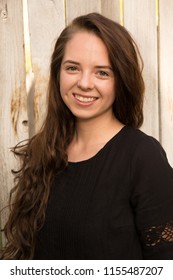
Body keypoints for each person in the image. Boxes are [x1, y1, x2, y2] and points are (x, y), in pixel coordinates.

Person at [1, 12, 173, 260]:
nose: (84, 83)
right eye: (72, 68)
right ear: (57, 72)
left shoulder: (142, 157)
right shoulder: (44, 149)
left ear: (121, 80)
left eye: (102, 72)